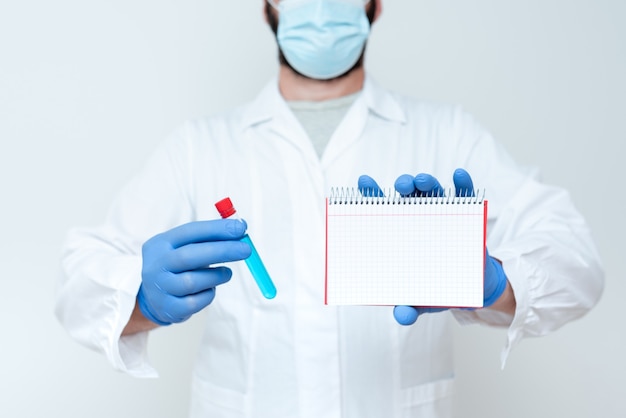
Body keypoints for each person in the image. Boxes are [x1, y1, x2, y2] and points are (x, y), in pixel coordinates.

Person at [55, 0, 604, 417]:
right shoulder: (199, 147)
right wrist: (140, 297)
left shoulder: (447, 134)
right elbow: (76, 284)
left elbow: (576, 261)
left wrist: (496, 282)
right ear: (267, 2)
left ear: (376, 3)